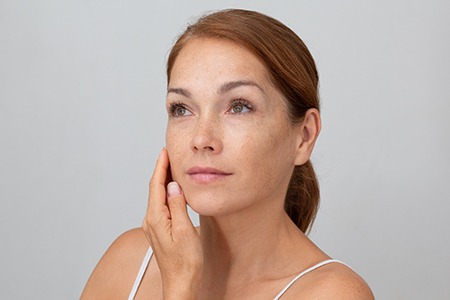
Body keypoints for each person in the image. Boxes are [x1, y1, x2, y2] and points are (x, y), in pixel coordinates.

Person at [81, 9, 374, 299]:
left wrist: (181, 287)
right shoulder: (130, 263)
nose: (201, 139)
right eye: (181, 108)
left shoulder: (333, 293)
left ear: (304, 137)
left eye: (239, 106)